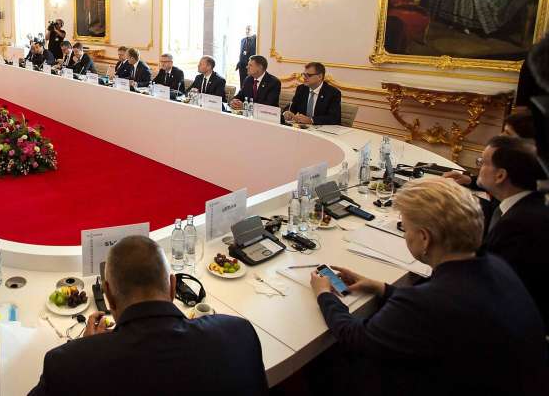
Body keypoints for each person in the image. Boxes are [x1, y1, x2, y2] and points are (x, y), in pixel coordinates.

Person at [309, 177, 547, 396]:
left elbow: (357, 337)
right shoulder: (496, 267)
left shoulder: (424, 304)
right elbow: (442, 307)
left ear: (425, 238)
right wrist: (381, 287)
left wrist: (323, 295)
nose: (405, 235)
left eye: (406, 228)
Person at [29, 236, 268, 395]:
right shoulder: (238, 332)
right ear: (173, 288)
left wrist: (87, 349)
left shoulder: (66, 364)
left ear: (108, 296)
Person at [475, 135, 549, 336]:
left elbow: (484, 288)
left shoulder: (518, 227)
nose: (479, 166)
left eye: (483, 162)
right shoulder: (530, 204)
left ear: (500, 176)